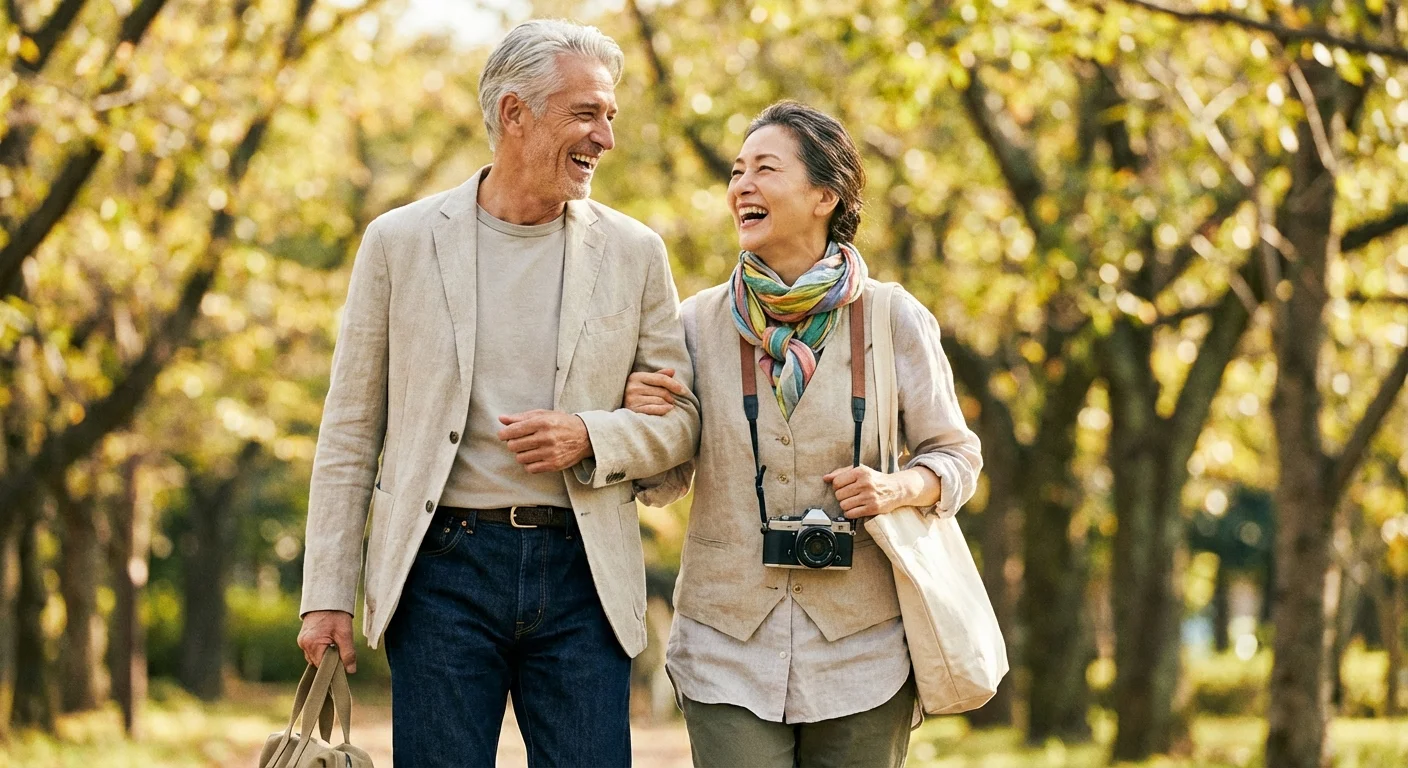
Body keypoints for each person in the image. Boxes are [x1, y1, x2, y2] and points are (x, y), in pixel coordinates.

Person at [296, 20, 700, 767]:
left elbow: (680, 424)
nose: (605, 138)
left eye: (610, 116)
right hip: (444, 568)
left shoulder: (637, 253)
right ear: (515, 113)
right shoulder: (398, 242)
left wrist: (591, 435)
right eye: (587, 114)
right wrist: (327, 593)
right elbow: (351, 430)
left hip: (585, 570)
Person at [625, 101, 983, 767]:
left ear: (825, 194)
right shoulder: (695, 323)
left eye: (764, 169)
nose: (741, 186)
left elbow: (957, 456)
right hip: (723, 646)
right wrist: (643, 419)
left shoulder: (892, 318)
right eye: (736, 172)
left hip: (865, 649)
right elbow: (663, 484)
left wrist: (897, 486)